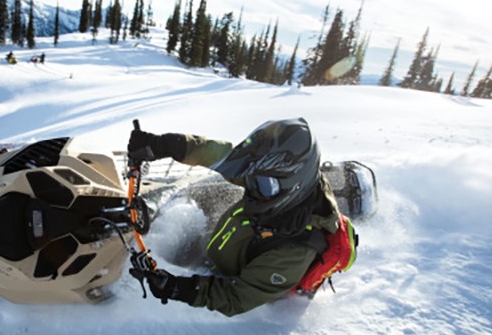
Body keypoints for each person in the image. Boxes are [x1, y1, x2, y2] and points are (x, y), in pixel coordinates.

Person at [127, 118, 342, 316]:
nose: (250, 186)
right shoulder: (271, 184)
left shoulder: (293, 251)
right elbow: (221, 156)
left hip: (226, 274)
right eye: (251, 178)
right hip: (225, 242)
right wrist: (163, 145)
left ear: (293, 187)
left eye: (261, 184)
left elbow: (237, 297)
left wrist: (176, 288)